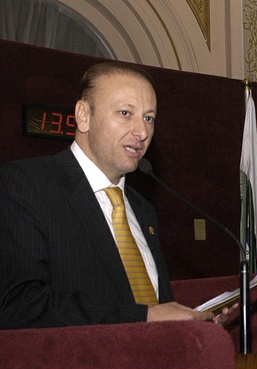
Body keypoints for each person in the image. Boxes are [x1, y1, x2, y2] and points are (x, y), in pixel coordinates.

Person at [0, 61, 225, 328]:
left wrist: (191, 322)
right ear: (83, 116)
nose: (142, 132)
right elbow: (18, 304)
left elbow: (152, 305)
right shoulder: (26, 185)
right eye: (125, 113)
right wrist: (144, 317)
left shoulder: (143, 209)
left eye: (149, 118)